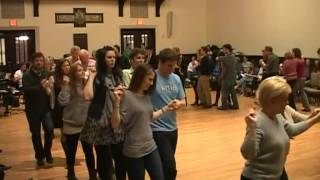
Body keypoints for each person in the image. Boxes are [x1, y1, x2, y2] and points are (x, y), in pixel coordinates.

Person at [240, 76, 320, 180]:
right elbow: (247, 154)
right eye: (284, 99)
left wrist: (313, 119)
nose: (287, 103)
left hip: (278, 174)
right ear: (272, 100)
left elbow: (292, 130)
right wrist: (251, 129)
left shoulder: (277, 116)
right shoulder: (257, 122)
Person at [112, 64, 177, 180]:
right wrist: (116, 104)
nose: (152, 83)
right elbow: (115, 124)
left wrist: (166, 108)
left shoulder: (146, 96)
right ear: (140, 77)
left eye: (153, 80)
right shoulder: (127, 96)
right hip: (134, 150)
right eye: (150, 79)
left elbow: (149, 117)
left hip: (150, 146)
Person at [80, 46, 124, 180]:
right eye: (109, 57)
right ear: (102, 59)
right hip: (101, 121)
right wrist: (92, 77)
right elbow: (87, 96)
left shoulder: (118, 75)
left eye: (114, 57)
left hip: (116, 119)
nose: (112, 60)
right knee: (104, 160)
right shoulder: (97, 75)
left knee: (120, 159)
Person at [150, 48, 185, 180]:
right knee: (170, 165)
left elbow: (183, 100)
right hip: (157, 128)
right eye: (169, 65)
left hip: (173, 128)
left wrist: (179, 104)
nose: (172, 68)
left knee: (165, 164)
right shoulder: (152, 77)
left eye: (174, 65)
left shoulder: (176, 78)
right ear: (160, 62)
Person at [58, 63, 90, 180]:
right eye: (78, 70)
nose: (81, 72)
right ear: (73, 73)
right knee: (71, 152)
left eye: (82, 70)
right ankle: (71, 173)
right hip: (71, 123)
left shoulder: (86, 84)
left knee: (89, 151)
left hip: (85, 123)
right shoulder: (68, 85)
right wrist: (65, 87)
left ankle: (92, 174)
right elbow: (62, 102)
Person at [22, 52, 54, 166]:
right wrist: (41, 86)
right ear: (33, 62)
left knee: (50, 130)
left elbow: (52, 84)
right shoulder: (27, 75)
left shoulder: (47, 73)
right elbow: (27, 90)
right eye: (37, 60)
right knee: (35, 134)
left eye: (41, 60)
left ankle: (47, 152)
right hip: (32, 110)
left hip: (45, 109)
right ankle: (39, 156)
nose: (39, 62)